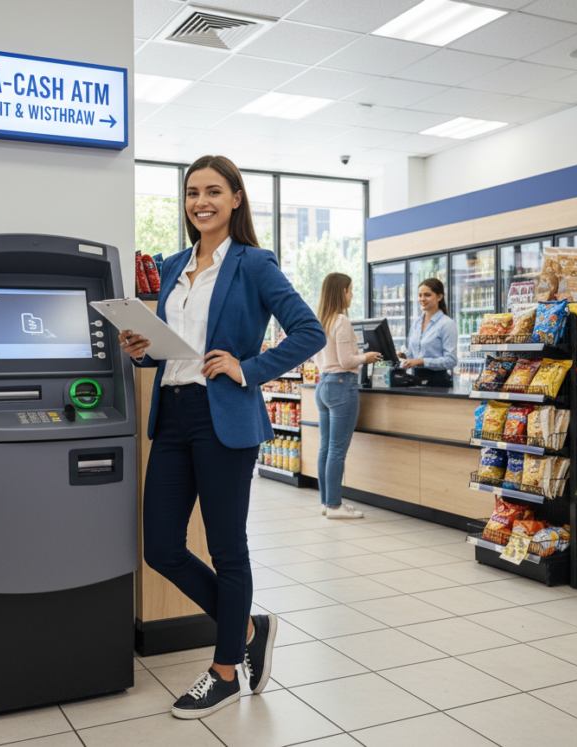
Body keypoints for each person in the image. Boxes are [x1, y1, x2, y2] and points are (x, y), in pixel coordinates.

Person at [119, 155, 325, 720]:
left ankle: (225, 670)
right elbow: (174, 350)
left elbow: (309, 331)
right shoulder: (171, 265)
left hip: (224, 420)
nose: (200, 201)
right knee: (160, 545)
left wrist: (248, 367)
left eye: (213, 191)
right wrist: (144, 352)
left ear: (236, 198)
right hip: (175, 415)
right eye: (191, 192)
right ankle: (250, 627)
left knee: (228, 547)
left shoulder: (255, 264)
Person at [313, 273, 381, 520]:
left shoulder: (321, 320)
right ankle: (334, 506)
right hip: (342, 385)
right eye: (350, 290)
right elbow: (346, 361)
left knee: (326, 448)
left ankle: (326, 502)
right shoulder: (341, 320)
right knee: (337, 451)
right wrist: (367, 357)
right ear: (341, 291)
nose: (352, 294)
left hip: (323, 386)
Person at [399, 277, 458, 387]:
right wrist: (404, 356)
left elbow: (451, 360)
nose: (422, 299)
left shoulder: (447, 324)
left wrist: (421, 361)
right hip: (415, 380)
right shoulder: (416, 323)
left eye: (427, 295)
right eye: (420, 295)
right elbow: (413, 355)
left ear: (439, 297)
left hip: (438, 383)